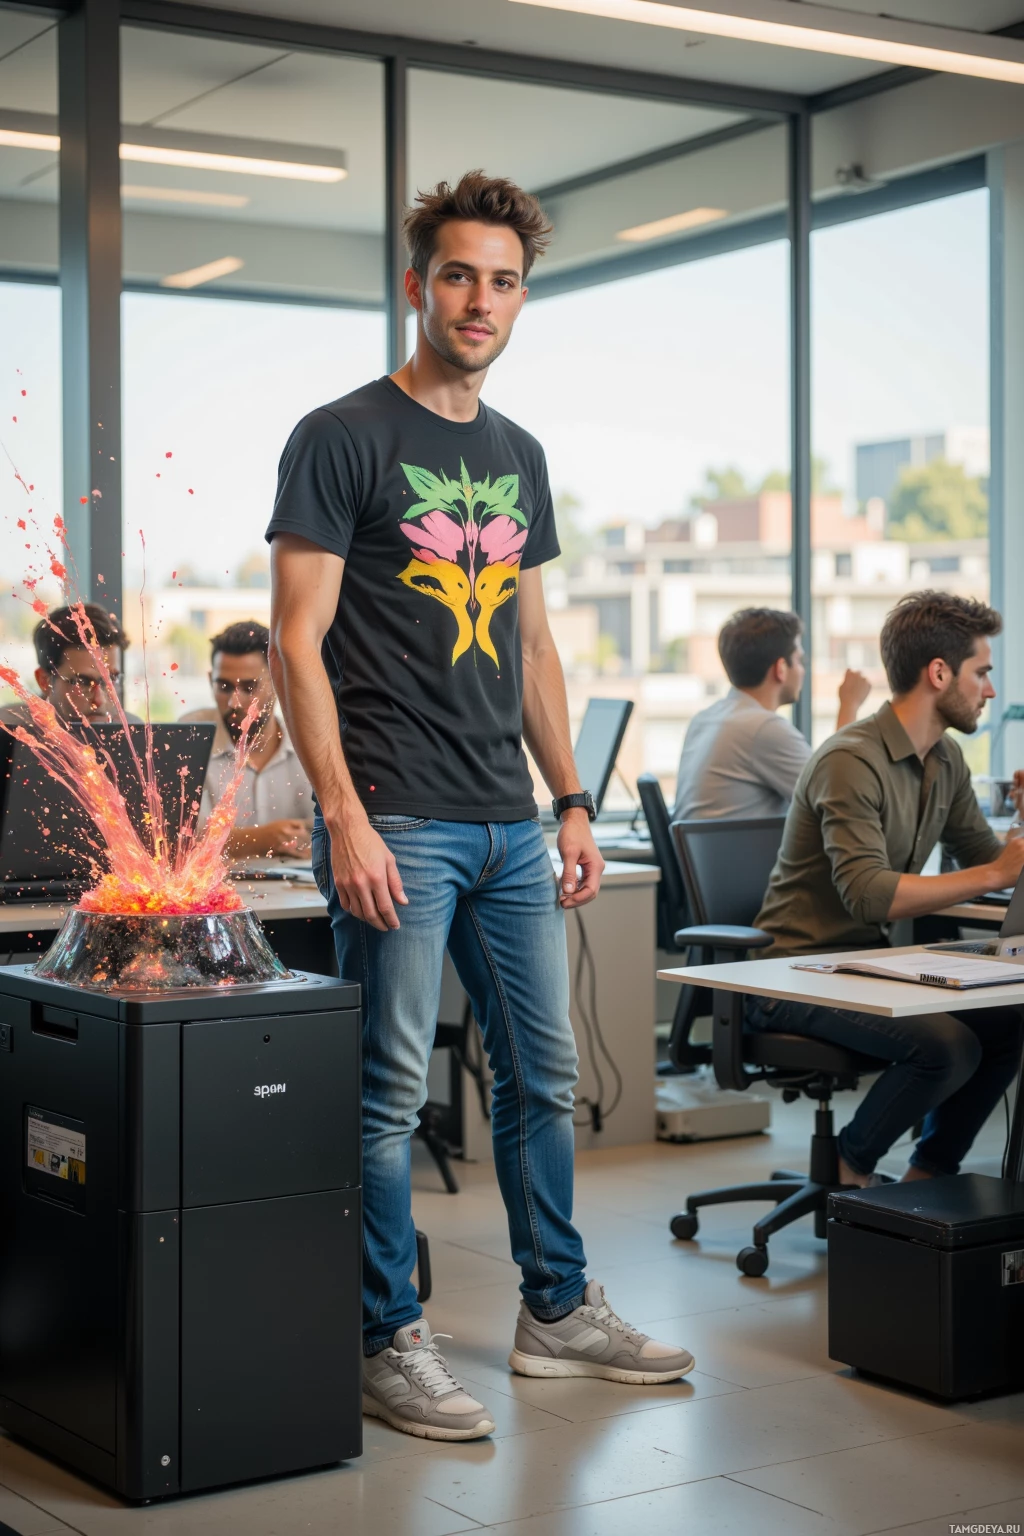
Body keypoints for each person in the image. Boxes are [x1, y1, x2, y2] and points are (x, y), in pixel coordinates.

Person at [266, 170, 694, 1443]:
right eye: (458, 274)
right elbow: (298, 643)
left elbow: (537, 649)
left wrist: (571, 800)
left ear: (521, 299)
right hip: (398, 815)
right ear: (417, 284)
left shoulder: (518, 456)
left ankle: (555, 1313)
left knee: (542, 1078)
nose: (480, 299)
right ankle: (383, 1337)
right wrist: (341, 816)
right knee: (390, 1091)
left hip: (511, 821)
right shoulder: (341, 433)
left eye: (503, 281)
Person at [751, 590, 1024, 1188]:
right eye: (982, 673)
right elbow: (869, 895)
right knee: (946, 1045)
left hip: (864, 965)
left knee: (1006, 1023)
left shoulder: (944, 759)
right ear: (938, 673)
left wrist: (1020, 830)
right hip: (790, 975)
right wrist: (998, 873)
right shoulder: (850, 760)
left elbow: (985, 857)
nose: (990, 691)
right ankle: (849, 1167)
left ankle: (927, 1178)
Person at [673, 607, 870, 820]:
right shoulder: (762, 728)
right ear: (781, 669)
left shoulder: (704, 719)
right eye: (799, 660)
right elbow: (839, 800)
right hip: (747, 854)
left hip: (719, 853)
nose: (803, 671)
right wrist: (849, 705)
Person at [183, 620, 313, 860]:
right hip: (217, 894)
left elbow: (329, 830)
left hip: (304, 895)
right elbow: (187, 840)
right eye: (223, 686)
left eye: (249, 687)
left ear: (278, 682)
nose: (234, 703)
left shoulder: (308, 743)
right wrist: (266, 839)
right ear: (210, 679)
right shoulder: (189, 738)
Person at [0, 602, 138, 728]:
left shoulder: (135, 733)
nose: (99, 700)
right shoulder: (8, 730)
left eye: (111, 680)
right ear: (45, 681)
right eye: (82, 682)